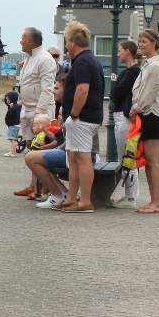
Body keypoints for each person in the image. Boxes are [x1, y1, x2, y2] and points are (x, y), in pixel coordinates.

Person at [57, 21, 104, 213]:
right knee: (74, 156)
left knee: (82, 157)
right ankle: (71, 198)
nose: (66, 45)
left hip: (82, 118)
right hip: (85, 118)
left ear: (72, 42)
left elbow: (83, 89)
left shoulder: (83, 61)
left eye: (67, 40)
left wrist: (74, 114)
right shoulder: (88, 59)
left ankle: (85, 201)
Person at [12, 27, 57, 198]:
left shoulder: (45, 59)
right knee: (31, 149)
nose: (21, 40)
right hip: (27, 108)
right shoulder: (29, 58)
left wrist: (39, 113)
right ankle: (33, 185)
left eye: (23, 37)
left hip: (41, 111)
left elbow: (47, 89)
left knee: (42, 149)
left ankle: (45, 188)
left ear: (32, 41)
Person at [130, 28, 159, 214]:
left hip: (152, 114)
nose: (141, 44)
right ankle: (153, 200)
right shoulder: (148, 64)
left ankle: (157, 202)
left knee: (154, 161)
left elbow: (149, 93)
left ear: (154, 43)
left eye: (144, 41)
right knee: (149, 161)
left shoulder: (154, 66)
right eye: (140, 41)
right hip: (147, 114)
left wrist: (136, 108)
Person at [109, 40, 141, 207]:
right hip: (120, 115)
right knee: (125, 157)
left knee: (128, 157)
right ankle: (130, 194)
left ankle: (132, 197)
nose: (118, 53)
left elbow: (117, 93)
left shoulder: (133, 72)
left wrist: (115, 91)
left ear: (128, 51)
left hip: (124, 116)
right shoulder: (129, 72)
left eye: (120, 50)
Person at [24, 115, 68, 209]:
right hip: (67, 151)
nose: (33, 127)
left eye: (35, 125)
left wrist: (45, 147)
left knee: (31, 159)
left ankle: (56, 195)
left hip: (71, 153)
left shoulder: (49, 131)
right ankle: (62, 193)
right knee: (38, 164)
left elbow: (57, 141)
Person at [2, 90, 22, 157]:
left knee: (12, 139)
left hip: (13, 125)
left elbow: (13, 113)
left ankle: (13, 153)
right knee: (13, 139)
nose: (7, 100)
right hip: (13, 125)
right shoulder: (16, 106)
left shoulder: (14, 107)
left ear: (12, 99)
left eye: (8, 99)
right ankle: (13, 150)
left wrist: (11, 108)